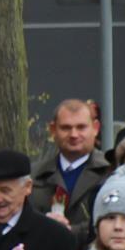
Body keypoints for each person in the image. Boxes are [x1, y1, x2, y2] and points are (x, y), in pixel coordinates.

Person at [29, 99, 110, 238]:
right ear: (53, 130)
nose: (73, 135)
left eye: (81, 127)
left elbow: (112, 220)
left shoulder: (110, 172)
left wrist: (69, 231)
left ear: (95, 128)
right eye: (66, 128)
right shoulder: (33, 174)